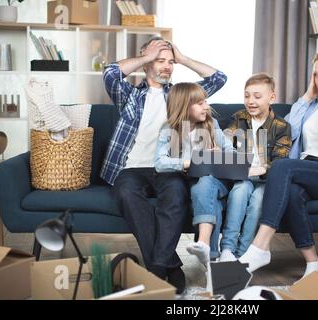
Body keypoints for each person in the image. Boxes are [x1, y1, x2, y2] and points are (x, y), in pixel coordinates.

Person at [101, 36, 227, 294]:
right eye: (160, 60)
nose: (167, 66)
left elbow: (219, 79)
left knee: (176, 195)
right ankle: (168, 265)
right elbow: (110, 73)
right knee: (125, 193)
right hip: (132, 167)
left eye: (170, 62)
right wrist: (147, 57)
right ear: (146, 62)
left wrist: (182, 58)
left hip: (168, 166)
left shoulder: (180, 96)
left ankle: (156, 268)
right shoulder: (130, 96)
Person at [239, 47, 318, 278]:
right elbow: (287, 131)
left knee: (281, 166)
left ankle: (260, 246)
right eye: (316, 74)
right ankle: (313, 263)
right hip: (304, 170)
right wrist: (308, 96)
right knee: (292, 191)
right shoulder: (309, 105)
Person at [154, 82, 234, 265]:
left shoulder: (211, 124)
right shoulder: (169, 128)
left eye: (206, 101)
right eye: (200, 103)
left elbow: (232, 153)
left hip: (215, 179)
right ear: (183, 106)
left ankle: (205, 245)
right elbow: (159, 162)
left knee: (205, 184)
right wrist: (189, 162)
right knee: (206, 194)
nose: (206, 106)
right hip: (193, 180)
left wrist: (220, 154)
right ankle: (211, 259)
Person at [217, 73, 291, 262]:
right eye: (247, 96)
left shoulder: (282, 126)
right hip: (244, 175)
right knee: (240, 191)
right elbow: (226, 141)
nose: (251, 101)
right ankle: (227, 248)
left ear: (271, 98)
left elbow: (281, 161)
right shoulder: (239, 118)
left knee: (258, 200)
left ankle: (243, 254)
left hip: (266, 179)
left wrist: (262, 169)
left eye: (257, 97)